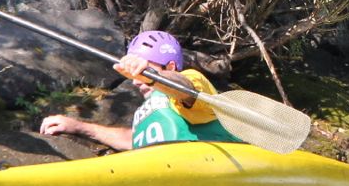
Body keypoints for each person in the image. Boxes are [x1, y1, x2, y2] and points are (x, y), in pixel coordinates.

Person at [39, 30, 239, 150]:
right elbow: (132, 140)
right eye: (134, 75)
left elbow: (185, 89)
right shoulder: (148, 112)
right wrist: (78, 127)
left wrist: (152, 76)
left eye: (142, 72)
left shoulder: (192, 80)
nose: (136, 81)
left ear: (169, 67)